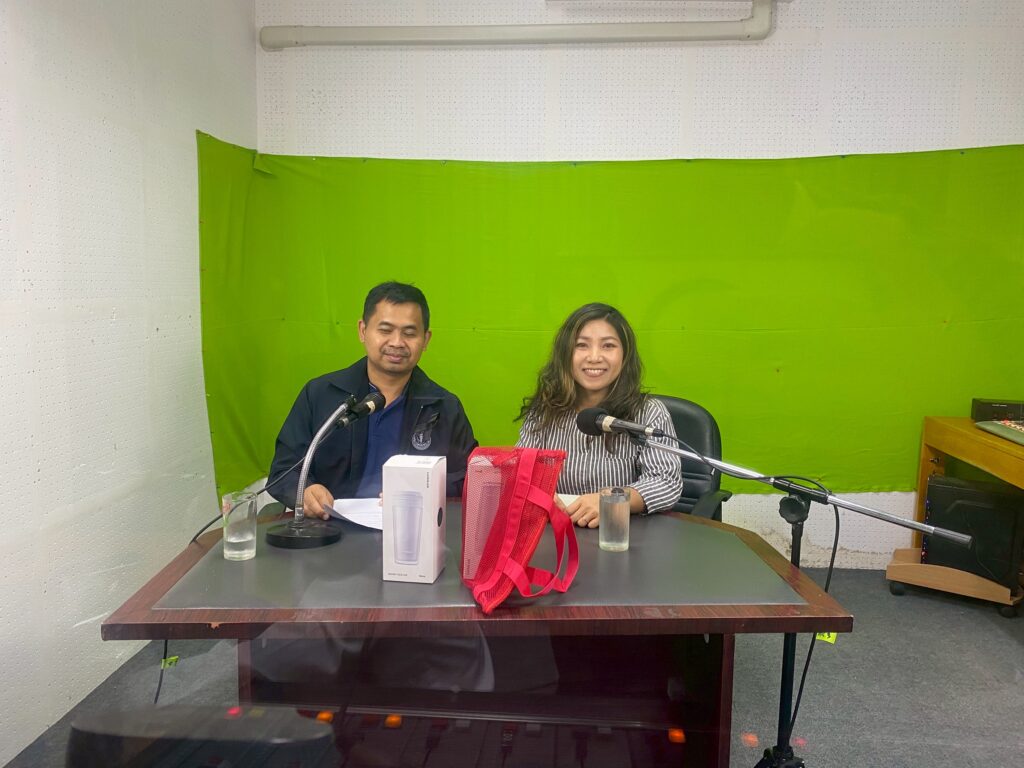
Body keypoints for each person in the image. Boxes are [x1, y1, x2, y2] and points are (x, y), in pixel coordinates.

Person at [268, 281, 477, 515]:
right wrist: (305, 490)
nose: (396, 342)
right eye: (385, 330)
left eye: (409, 333)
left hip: (412, 527)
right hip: (329, 527)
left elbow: (469, 479)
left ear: (426, 339)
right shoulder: (321, 394)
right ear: (363, 330)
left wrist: (424, 489)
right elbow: (284, 470)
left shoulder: (444, 407)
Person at [516, 302, 683, 527]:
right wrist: (538, 496)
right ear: (565, 354)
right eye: (581, 345)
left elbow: (666, 483)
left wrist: (613, 499)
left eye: (608, 346)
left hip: (621, 535)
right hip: (557, 534)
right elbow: (521, 475)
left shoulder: (648, 413)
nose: (594, 357)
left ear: (625, 355)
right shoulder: (544, 411)